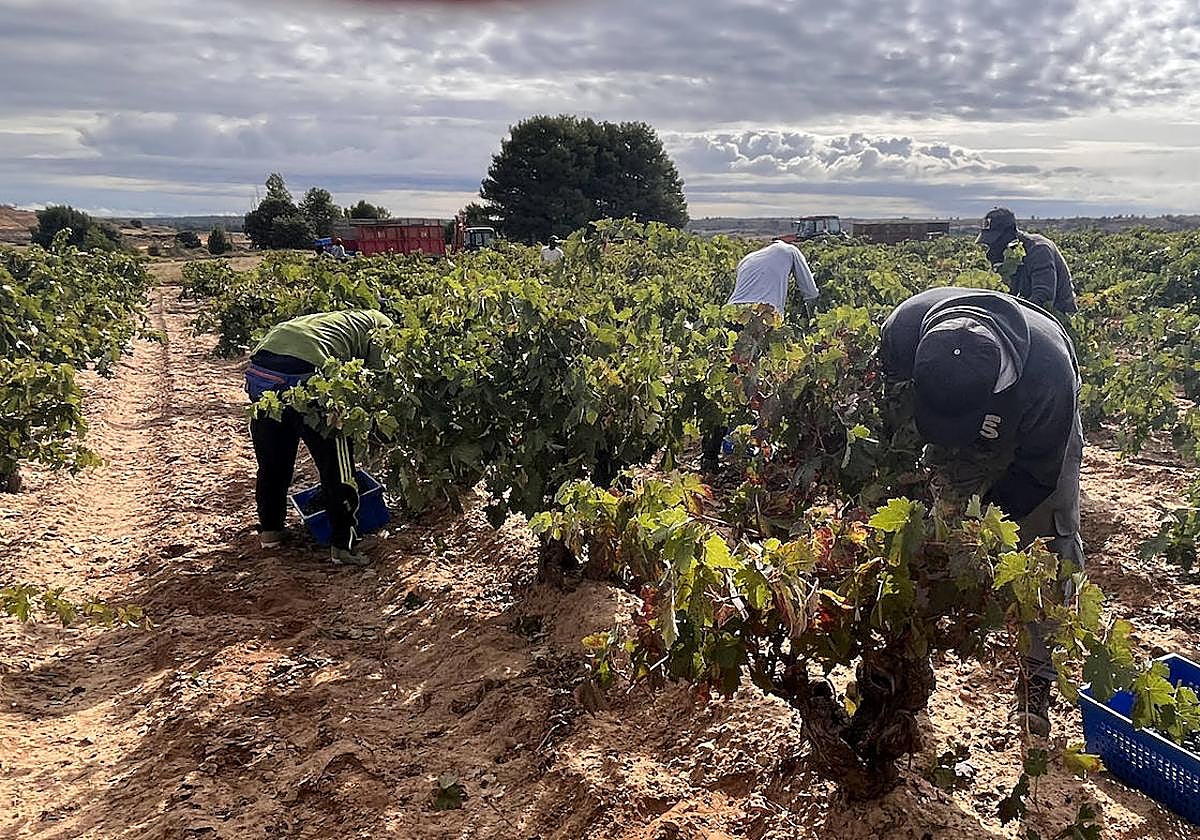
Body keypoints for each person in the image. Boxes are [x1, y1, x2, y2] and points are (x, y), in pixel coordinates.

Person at [881, 287, 1083, 737]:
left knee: (1049, 542)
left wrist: (981, 530)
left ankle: (1036, 676)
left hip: (1031, 441)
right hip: (953, 411)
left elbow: (1037, 476)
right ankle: (906, 654)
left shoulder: (1048, 379)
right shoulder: (903, 331)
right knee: (915, 532)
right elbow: (889, 422)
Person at [245, 309, 394, 565]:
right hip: (308, 375)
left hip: (261, 372)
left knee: (273, 463)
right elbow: (381, 381)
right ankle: (343, 546)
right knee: (338, 466)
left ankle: (271, 532)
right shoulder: (383, 326)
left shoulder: (336, 320)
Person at [700, 239, 821, 473]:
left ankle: (710, 456)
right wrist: (811, 325)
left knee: (728, 388)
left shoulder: (749, 258)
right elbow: (811, 291)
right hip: (762, 320)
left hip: (732, 319)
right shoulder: (789, 250)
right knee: (761, 387)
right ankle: (754, 451)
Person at [977, 207, 1076, 315]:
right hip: (1024, 311)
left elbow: (1043, 298)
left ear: (1010, 234)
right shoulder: (1003, 255)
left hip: (1058, 316)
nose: (992, 247)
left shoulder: (1039, 249)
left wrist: (1011, 316)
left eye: (995, 241)